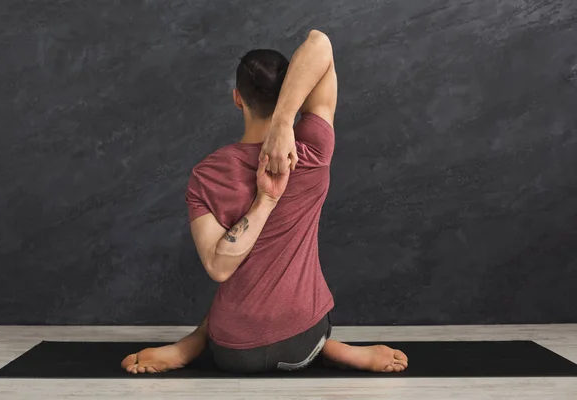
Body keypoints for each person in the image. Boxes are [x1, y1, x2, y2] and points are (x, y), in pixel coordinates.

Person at [121, 30, 408, 374]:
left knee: (242, 276)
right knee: (268, 277)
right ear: (293, 94)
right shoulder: (312, 151)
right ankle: (334, 349)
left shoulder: (207, 174)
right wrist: (285, 126)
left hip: (231, 349)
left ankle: (194, 342)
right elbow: (320, 43)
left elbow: (218, 267)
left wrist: (263, 197)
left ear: (237, 99)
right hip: (304, 338)